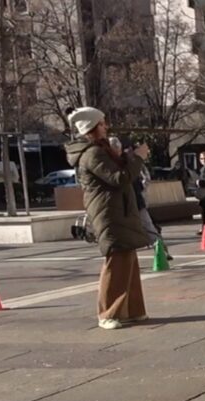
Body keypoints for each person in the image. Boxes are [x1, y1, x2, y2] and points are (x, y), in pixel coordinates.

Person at [66, 107, 152, 329]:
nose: (106, 126)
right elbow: (119, 178)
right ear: (92, 128)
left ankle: (132, 310)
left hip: (117, 209)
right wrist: (138, 159)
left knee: (128, 260)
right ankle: (108, 313)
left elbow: (119, 172)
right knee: (116, 261)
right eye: (102, 123)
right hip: (109, 212)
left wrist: (130, 156)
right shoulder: (92, 153)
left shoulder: (100, 150)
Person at [125, 138, 171, 260]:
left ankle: (161, 250)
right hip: (130, 203)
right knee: (144, 228)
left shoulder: (133, 165)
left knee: (148, 227)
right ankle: (160, 250)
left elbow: (142, 183)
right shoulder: (129, 165)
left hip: (135, 203)